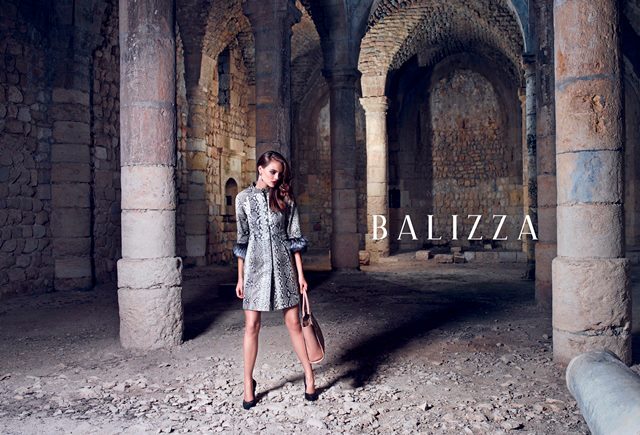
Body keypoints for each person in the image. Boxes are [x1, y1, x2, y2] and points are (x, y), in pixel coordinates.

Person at [233, 150, 318, 410]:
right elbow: (242, 240)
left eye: (280, 173)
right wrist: (240, 277)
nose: (276, 177)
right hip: (254, 268)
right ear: (260, 169)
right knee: (251, 326)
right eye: (272, 172)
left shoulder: (285, 198)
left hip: (283, 267)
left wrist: (301, 275)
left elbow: (294, 239)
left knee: (294, 323)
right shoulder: (243, 199)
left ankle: (309, 375)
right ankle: (247, 384)